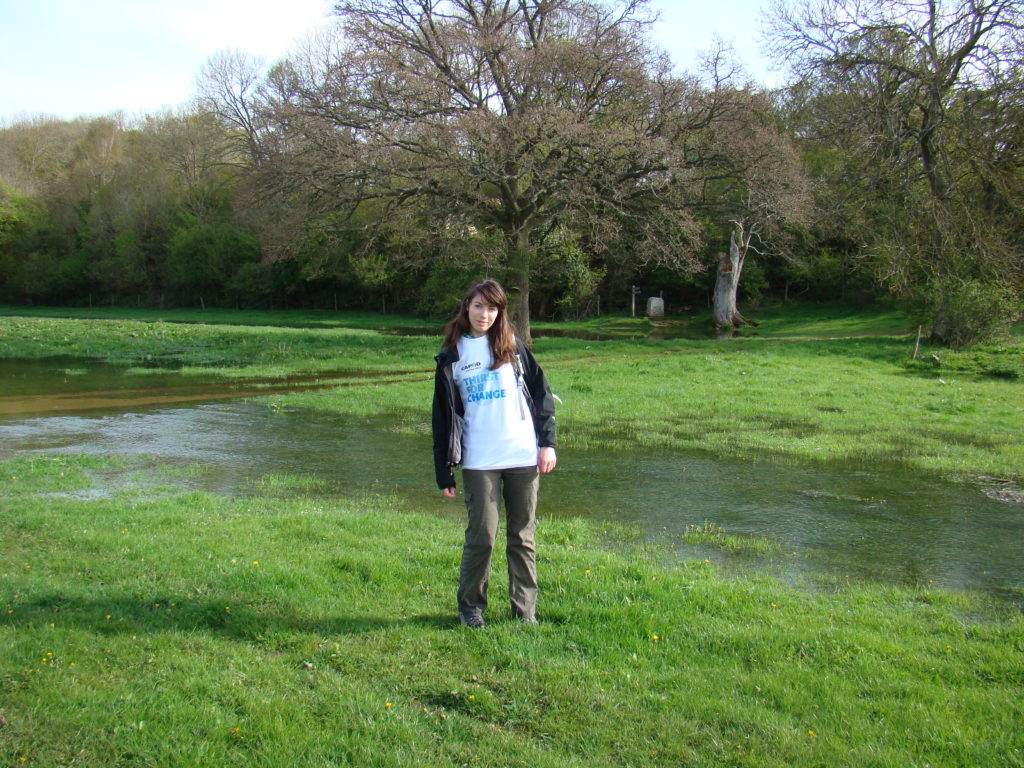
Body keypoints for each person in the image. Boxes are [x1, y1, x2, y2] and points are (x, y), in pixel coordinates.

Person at [432, 278, 557, 628]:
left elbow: (542, 397)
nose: (484, 314)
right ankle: (471, 609)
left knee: (522, 536)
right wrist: (444, 471)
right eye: (477, 306)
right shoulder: (451, 355)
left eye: (492, 308)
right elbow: (441, 420)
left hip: (521, 457)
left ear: (500, 312)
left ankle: (524, 611)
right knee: (482, 537)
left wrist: (546, 444)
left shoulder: (513, 347)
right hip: (478, 461)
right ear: (466, 308)